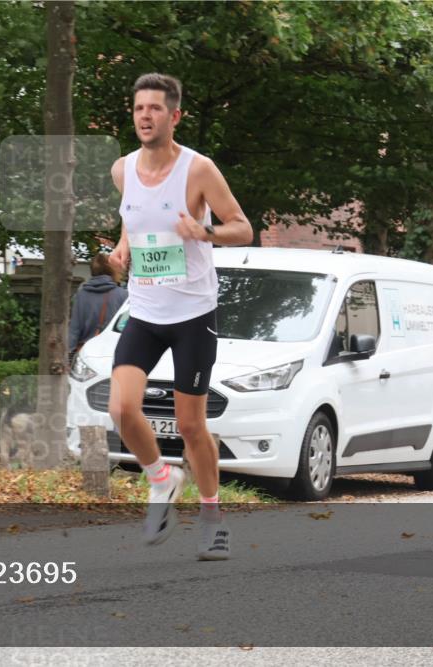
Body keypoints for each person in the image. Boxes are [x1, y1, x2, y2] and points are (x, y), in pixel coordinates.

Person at [107, 73, 253, 558]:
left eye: (154, 109)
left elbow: (243, 228)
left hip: (193, 313)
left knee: (190, 426)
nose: (145, 116)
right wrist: (122, 249)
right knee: (123, 409)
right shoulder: (122, 170)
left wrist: (203, 233)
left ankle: (211, 517)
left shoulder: (198, 169)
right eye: (138, 108)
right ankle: (161, 479)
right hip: (145, 310)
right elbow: (134, 223)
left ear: (174, 116)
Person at [68, 253, 128, 359]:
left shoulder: (80, 295)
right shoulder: (123, 295)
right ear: (112, 270)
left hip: (87, 355)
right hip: (114, 353)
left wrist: (69, 356)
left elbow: (74, 329)